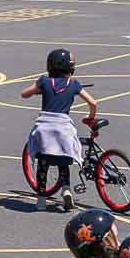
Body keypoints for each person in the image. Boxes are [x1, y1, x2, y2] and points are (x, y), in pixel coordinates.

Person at [20, 48, 98, 212]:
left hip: (45, 127)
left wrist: (39, 88)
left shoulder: (44, 81)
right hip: (63, 128)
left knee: (43, 161)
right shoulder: (74, 84)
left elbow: (24, 94)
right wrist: (90, 118)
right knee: (64, 159)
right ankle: (66, 190)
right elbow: (93, 103)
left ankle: (41, 200)